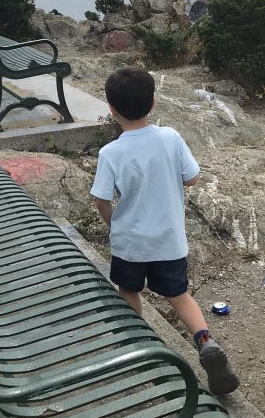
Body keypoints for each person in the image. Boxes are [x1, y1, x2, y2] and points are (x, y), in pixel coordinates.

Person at [90, 67, 240, 396]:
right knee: (179, 295)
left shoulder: (111, 152)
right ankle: (205, 342)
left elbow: (101, 199)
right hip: (169, 241)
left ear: (111, 109)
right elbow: (192, 177)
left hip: (130, 243)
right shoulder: (170, 137)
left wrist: (112, 224)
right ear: (153, 102)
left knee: (129, 291)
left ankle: (140, 347)